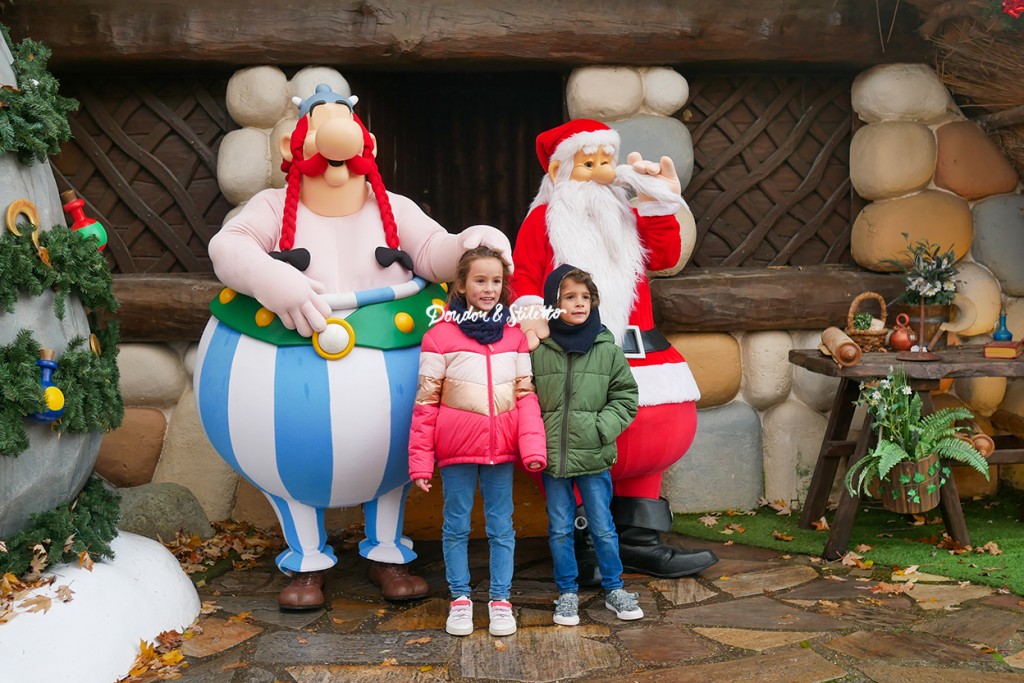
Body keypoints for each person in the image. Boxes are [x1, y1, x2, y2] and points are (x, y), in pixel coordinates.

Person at [194, 84, 511, 610]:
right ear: (292, 148)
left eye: (344, 122)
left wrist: (469, 244)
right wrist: (273, 280)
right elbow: (228, 247)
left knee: (391, 470)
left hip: (396, 363)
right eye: (321, 124)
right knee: (287, 471)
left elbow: (433, 250)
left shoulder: (392, 207)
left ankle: (387, 551)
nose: (336, 141)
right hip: (283, 357)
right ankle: (306, 558)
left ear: (369, 144)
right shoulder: (272, 206)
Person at [510, 118, 718, 582]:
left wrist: (658, 200)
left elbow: (663, 257)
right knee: (579, 440)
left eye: (607, 161)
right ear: (560, 171)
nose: (603, 173)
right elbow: (523, 278)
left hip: (641, 355)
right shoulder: (542, 221)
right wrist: (529, 316)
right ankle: (583, 544)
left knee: (649, 441)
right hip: (572, 358)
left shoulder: (627, 214)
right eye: (589, 164)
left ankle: (641, 543)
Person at [408, 246, 547, 637]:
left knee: (502, 526)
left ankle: (501, 600)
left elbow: (526, 396)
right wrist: (420, 461)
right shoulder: (439, 338)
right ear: (462, 285)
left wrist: (533, 447)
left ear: (504, 287)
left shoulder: (514, 338)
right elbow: (425, 402)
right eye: (480, 281)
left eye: (496, 281)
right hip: (456, 453)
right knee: (455, 526)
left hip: (501, 451)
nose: (489, 289)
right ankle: (460, 600)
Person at [532, 264, 643, 626]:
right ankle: (567, 593)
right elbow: (525, 395)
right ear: (553, 302)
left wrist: (601, 427)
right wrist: (535, 439)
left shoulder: (606, 348)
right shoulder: (540, 350)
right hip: (553, 459)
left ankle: (615, 588)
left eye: (585, 297)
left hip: (594, 456)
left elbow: (625, 397)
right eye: (569, 297)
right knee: (561, 528)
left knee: (603, 526)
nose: (578, 304)